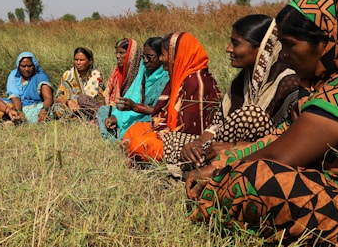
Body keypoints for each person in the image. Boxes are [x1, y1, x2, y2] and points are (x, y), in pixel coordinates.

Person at [186, 0, 338, 247]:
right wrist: (221, 163)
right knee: (235, 168)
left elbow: (282, 155)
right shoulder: (319, 85)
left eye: (289, 45)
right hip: (325, 189)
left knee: (258, 177)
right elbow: (277, 137)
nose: (283, 55)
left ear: (323, 43)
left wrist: (221, 173)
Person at [179, 15, 299, 167]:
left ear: (262, 48)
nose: (228, 49)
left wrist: (239, 148)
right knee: (175, 142)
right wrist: (197, 143)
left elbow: (292, 138)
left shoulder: (288, 83)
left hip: (266, 155)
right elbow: (218, 125)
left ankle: (211, 164)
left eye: (235, 44)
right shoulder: (241, 81)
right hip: (224, 144)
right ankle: (203, 159)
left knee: (250, 115)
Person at [121, 32, 222, 162]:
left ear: (178, 55)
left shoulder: (197, 82)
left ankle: (136, 153)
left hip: (184, 143)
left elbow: (189, 133)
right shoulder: (178, 77)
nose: (161, 59)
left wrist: (156, 136)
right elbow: (163, 117)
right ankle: (136, 152)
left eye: (163, 54)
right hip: (168, 133)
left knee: (138, 144)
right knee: (136, 129)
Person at [98, 37, 169, 139]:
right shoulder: (143, 71)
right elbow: (132, 96)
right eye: (143, 56)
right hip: (133, 112)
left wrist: (136, 107)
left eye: (150, 57)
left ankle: (124, 135)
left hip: (151, 117)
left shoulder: (166, 78)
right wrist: (116, 117)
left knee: (142, 128)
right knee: (103, 110)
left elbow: (162, 111)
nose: (145, 60)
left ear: (161, 57)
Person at [53, 47, 105, 121]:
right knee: (58, 108)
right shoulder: (67, 75)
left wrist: (83, 104)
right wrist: (69, 102)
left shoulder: (96, 76)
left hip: (87, 108)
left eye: (81, 60)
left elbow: (100, 98)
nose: (78, 63)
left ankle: (81, 118)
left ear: (90, 61)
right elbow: (58, 97)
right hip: (70, 107)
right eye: (76, 60)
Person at [5, 51, 53, 123]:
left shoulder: (40, 76)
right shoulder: (13, 76)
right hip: (17, 106)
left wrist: (43, 111)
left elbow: (48, 97)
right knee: (1, 105)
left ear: (34, 65)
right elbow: (15, 97)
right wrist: (20, 112)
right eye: (23, 66)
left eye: (30, 66)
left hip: (35, 106)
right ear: (18, 66)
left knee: (47, 113)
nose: (26, 69)